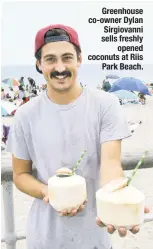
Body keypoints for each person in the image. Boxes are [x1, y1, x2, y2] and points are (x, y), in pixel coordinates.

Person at [7, 24, 150, 249]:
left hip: (95, 237)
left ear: (79, 60)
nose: (60, 67)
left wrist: (120, 200)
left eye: (67, 57)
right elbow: (20, 174)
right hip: (44, 239)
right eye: (51, 59)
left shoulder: (105, 104)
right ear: (39, 64)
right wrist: (48, 192)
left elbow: (111, 163)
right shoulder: (25, 114)